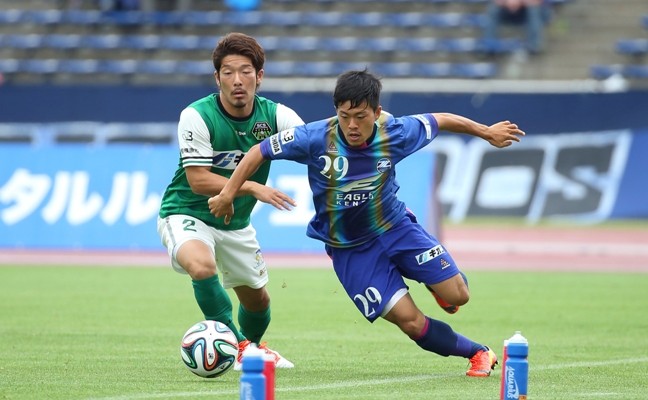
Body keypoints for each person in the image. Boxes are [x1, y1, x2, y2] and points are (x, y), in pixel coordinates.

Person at [208, 69, 526, 377]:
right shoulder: (314, 137)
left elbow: (440, 119)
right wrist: (227, 193)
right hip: (351, 251)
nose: (352, 125)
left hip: (396, 228)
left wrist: (486, 132)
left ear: (377, 112)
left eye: (360, 116)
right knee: (411, 322)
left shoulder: (396, 132)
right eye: (344, 116)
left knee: (459, 296)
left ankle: (435, 284)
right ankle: (478, 353)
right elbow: (258, 151)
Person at [157, 32, 304, 370]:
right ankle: (239, 348)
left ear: (259, 76)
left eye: (245, 71)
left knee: (258, 301)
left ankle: (251, 347)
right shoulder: (197, 115)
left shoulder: (276, 116)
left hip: (235, 223)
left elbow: (312, 144)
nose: (237, 80)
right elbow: (197, 179)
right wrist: (252, 187)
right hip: (186, 212)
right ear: (217, 78)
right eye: (228, 72)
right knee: (201, 266)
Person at [483, 0, 548, 54]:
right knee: (493, 9)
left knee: (533, 9)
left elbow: (536, 2)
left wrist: (519, 2)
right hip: (508, 10)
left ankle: (534, 47)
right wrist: (507, 2)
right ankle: (489, 45)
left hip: (531, 11)